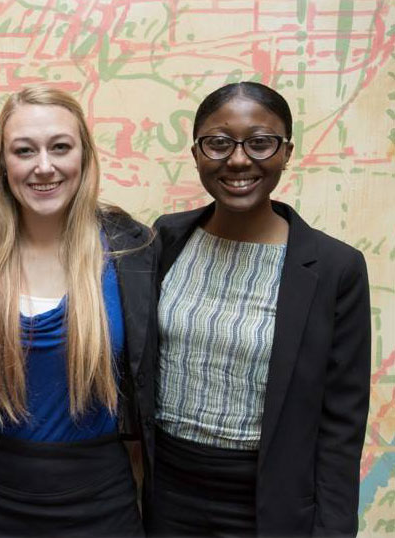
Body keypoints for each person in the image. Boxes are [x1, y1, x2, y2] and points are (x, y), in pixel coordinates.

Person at [149, 81, 371, 536]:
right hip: (164, 497)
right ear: (196, 153)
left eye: (260, 142)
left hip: (269, 506)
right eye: (218, 142)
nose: (237, 159)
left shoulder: (334, 268)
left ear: (286, 152)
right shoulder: (165, 240)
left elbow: (341, 425)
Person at [0, 86, 157, 536]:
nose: (44, 166)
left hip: (98, 501)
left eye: (60, 147)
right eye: (25, 150)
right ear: (4, 163)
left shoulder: (130, 247)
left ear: (84, 154)